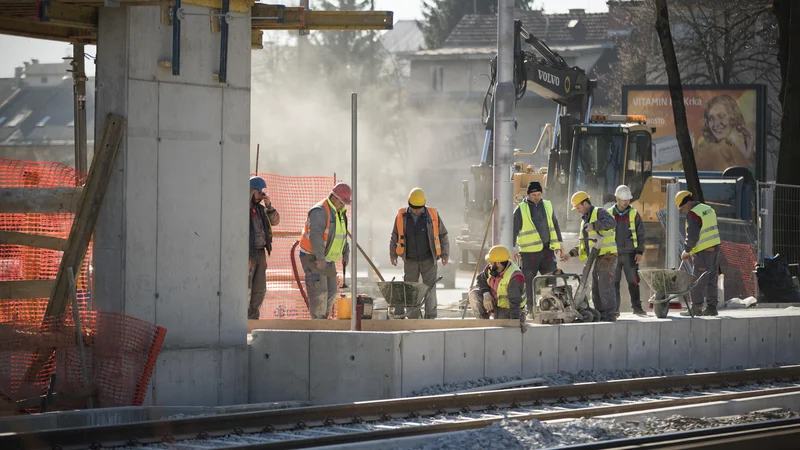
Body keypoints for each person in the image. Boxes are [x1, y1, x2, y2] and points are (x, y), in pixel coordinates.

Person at [389, 187, 449, 319]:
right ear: (409, 204)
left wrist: (445, 254)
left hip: (429, 259)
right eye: (414, 207)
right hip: (410, 260)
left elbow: (443, 234)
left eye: (419, 207)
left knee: (430, 289)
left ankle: (430, 317)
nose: (417, 210)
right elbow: (395, 235)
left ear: (424, 204)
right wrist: (392, 254)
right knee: (411, 289)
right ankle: (413, 317)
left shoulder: (432, 216)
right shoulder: (401, 216)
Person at [299, 182, 351, 319]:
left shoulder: (340, 212)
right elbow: (315, 237)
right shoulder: (320, 211)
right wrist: (320, 258)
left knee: (332, 292)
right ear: (334, 198)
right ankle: (318, 323)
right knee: (320, 292)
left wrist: (346, 251)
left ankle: (323, 321)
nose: (343, 205)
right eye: (342, 202)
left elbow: (342, 234)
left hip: (327, 258)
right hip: (313, 256)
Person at [512, 181, 566, 315]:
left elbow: (554, 224)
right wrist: (513, 247)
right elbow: (513, 229)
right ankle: (530, 309)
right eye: (533, 195)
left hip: (547, 251)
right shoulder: (521, 209)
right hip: (529, 253)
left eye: (538, 194)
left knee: (550, 279)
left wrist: (559, 242)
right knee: (529, 282)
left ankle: (550, 307)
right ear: (528, 194)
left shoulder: (547, 205)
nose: (536, 197)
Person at [566, 191, 618, 322]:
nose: (577, 210)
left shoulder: (599, 212)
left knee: (604, 285)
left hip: (607, 255)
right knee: (595, 288)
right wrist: (571, 254)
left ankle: (610, 314)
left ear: (585, 203)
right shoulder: (585, 221)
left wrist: (594, 226)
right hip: (597, 257)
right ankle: (600, 313)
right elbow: (585, 244)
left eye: (578, 207)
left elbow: (611, 222)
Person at [676, 190, 721, 317]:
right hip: (715, 249)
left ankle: (696, 308)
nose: (683, 210)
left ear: (687, 203)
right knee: (712, 279)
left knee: (697, 280)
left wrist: (687, 250)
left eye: (682, 207)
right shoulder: (708, 209)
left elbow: (692, 236)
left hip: (703, 253)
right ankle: (712, 308)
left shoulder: (693, 214)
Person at [467, 245, 527, 331]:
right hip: (497, 305)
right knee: (474, 294)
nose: (489, 263)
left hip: (509, 310)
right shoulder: (490, 269)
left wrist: (515, 323)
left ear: (498, 263)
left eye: (491, 261)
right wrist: (486, 294)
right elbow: (481, 280)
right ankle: (483, 325)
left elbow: (515, 302)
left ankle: (497, 322)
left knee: (501, 329)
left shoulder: (515, 276)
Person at [608, 185, 647, 317]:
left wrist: (640, 252)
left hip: (630, 254)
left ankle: (637, 307)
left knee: (634, 281)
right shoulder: (608, 214)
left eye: (628, 199)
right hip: (613, 255)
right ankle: (614, 309)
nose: (626, 202)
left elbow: (641, 234)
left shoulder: (634, 214)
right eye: (624, 199)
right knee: (614, 283)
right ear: (617, 198)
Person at [248, 176, 280, 320]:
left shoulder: (262, 210)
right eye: (259, 193)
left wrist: (270, 207)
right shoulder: (242, 209)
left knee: (260, 289)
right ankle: (243, 319)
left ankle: (253, 319)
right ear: (251, 191)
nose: (261, 197)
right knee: (246, 288)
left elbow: (275, 221)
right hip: (247, 254)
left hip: (260, 253)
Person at [695, 94, 754, 170]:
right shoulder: (705, 155)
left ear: (734, 117)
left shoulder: (743, 150)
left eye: (722, 116)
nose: (716, 124)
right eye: (711, 118)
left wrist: (747, 157)